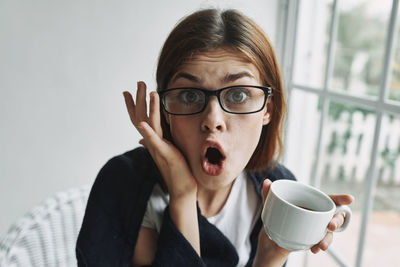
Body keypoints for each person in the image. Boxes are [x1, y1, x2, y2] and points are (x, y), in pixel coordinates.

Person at [76, 8, 353, 267]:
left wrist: (272, 254)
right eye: (189, 95)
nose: (212, 121)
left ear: (267, 109)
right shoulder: (123, 185)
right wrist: (182, 195)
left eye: (238, 95)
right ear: (165, 109)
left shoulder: (277, 192)